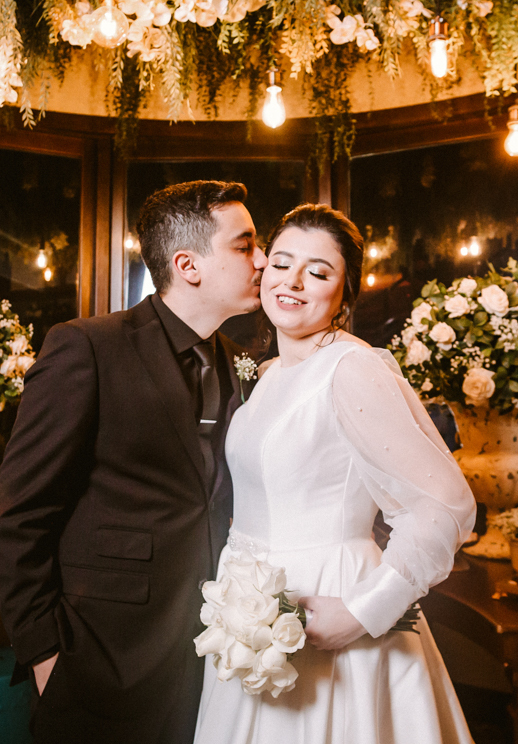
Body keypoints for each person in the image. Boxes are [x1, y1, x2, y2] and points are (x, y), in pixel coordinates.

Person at [0, 180, 268, 743]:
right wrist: (44, 654)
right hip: (103, 652)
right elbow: (20, 513)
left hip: (213, 653)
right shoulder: (88, 347)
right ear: (188, 265)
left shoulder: (241, 362)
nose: (263, 260)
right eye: (245, 246)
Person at [193, 204, 478, 744]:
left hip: (327, 596)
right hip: (249, 607)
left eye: (318, 272)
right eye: (282, 263)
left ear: (345, 295)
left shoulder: (352, 368)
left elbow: (446, 504)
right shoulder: (269, 373)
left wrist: (364, 610)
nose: (293, 282)